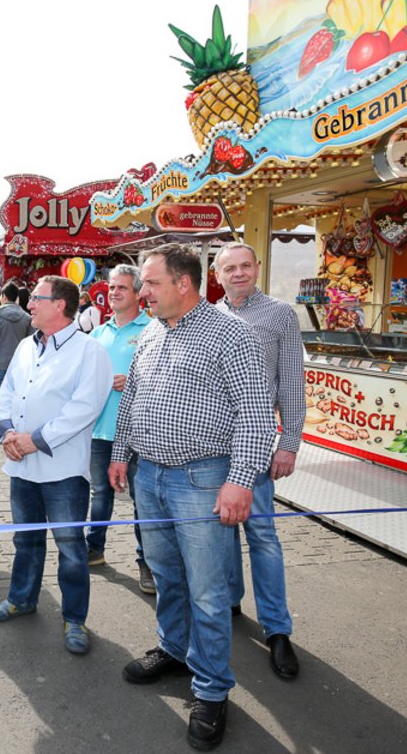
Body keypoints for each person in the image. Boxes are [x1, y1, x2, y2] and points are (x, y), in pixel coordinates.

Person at [108, 243, 275, 751]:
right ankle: (174, 651)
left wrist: (240, 480)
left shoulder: (232, 334)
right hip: (149, 477)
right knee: (166, 575)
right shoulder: (153, 331)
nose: (143, 292)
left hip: (203, 479)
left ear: (184, 283)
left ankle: (212, 689)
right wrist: (120, 453)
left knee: (207, 591)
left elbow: (255, 414)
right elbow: (133, 397)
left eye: (151, 283)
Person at [0, 275, 111, 654]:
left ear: (59, 305)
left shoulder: (89, 351)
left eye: (37, 299)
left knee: (70, 547)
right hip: (22, 466)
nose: (29, 305)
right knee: (26, 540)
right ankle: (21, 598)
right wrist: (9, 434)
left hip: (63, 471)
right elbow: (8, 392)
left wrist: (34, 440)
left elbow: (83, 409)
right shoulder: (27, 344)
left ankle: (74, 619)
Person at [214, 242, 305, 680]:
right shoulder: (208, 316)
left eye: (245, 266)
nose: (238, 273)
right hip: (213, 445)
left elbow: (292, 381)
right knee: (222, 528)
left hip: (255, 444)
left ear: (257, 268)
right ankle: (231, 601)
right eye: (229, 268)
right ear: (217, 275)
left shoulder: (280, 314)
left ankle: (277, 629)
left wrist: (289, 442)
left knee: (262, 535)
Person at [87, 265, 153, 589]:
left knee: (143, 502)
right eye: (111, 287)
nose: (113, 293)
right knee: (100, 494)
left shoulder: (153, 329)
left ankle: (147, 563)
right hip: (101, 432)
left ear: (138, 293)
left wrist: (135, 381)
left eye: (121, 288)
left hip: (139, 433)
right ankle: (94, 549)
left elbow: (165, 379)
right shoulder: (98, 333)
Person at [0, 283, 32, 401]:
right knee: (16, 401)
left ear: (4, 296)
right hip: (20, 366)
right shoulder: (27, 318)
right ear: (17, 297)